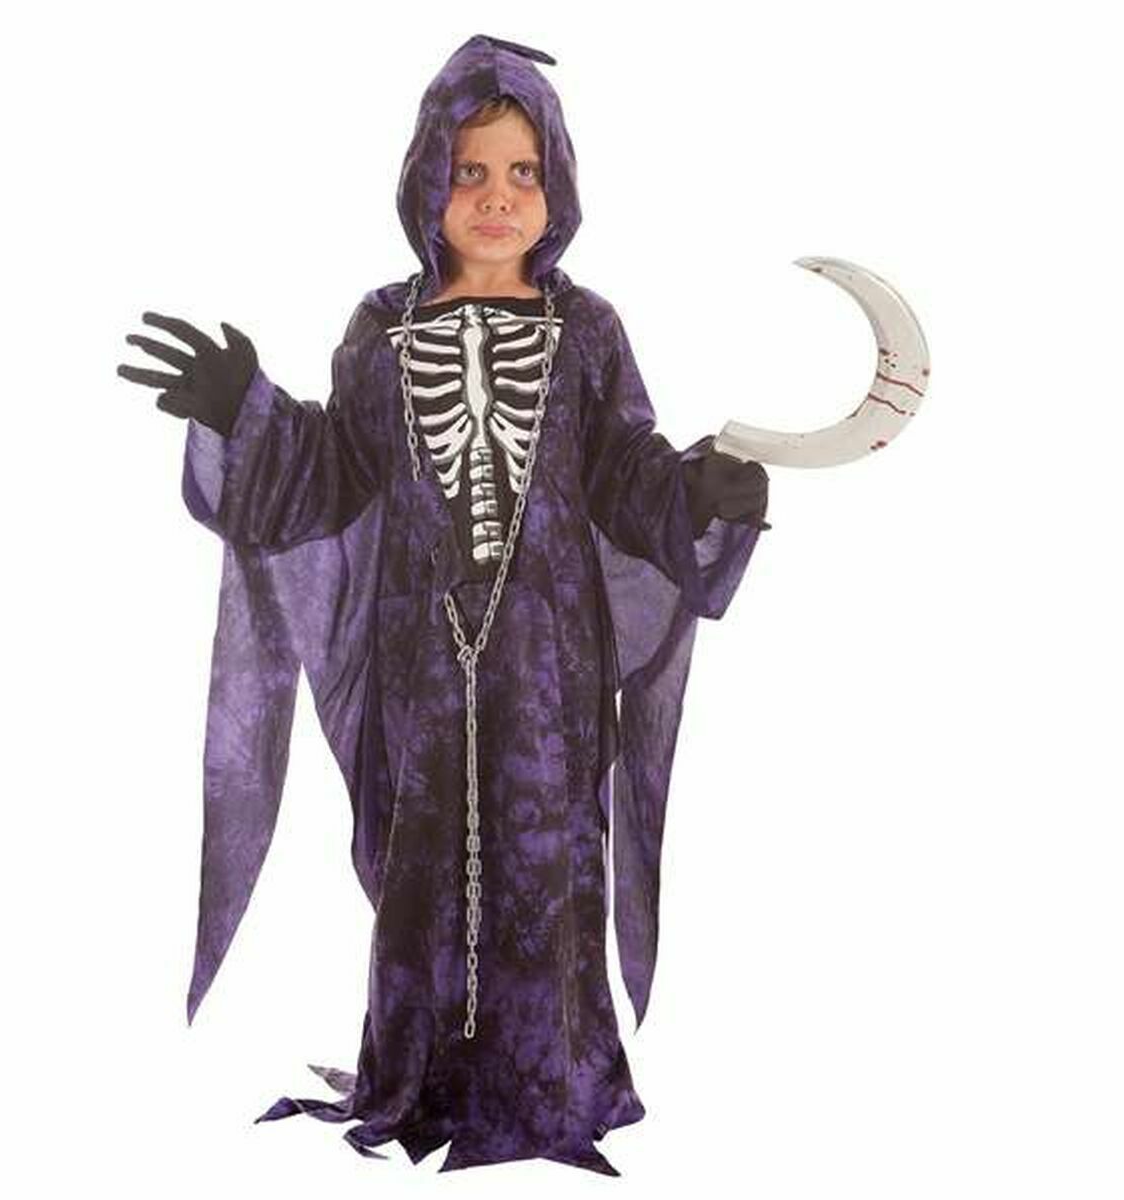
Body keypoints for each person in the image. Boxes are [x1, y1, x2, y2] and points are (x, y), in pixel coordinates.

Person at [117, 33, 770, 1177]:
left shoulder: (587, 331)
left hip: (551, 669)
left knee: (551, 858)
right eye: (470, 171)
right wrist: (247, 412)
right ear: (427, 179)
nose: (497, 197)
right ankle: (421, 1073)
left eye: (523, 172)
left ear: (557, 188)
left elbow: (625, 474)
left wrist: (698, 492)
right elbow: (334, 471)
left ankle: (553, 1077)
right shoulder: (382, 328)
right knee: (419, 861)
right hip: (419, 664)